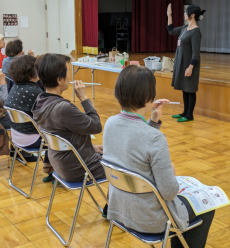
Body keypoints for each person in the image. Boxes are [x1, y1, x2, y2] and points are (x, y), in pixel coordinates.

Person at [103, 65, 214, 248]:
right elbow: (169, 192)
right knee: (207, 204)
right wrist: (170, 172)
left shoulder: (110, 123)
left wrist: (153, 121)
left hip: (119, 210)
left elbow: (133, 145)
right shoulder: (155, 138)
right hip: (150, 220)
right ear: (148, 97)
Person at [32, 53, 106, 185]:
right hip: (81, 169)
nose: (70, 76)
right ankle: (111, 206)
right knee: (127, 168)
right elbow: (96, 126)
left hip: (62, 165)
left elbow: (62, 136)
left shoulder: (40, 100)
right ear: (59, 80)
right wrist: (84, 98)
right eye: (68, 72)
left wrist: (90, 147)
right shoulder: (62, 108)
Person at [4, 55, 51, 174]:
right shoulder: (35, 92)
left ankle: (49, 164)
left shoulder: (15, 88)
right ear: (31, 73)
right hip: (32, 140)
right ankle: (54, 168)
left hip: (16, 138)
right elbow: (49, 117)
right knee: (62, 135)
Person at [167, 4, 206, 122]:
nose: (184, 14)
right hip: (182, 62)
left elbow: (195, 53)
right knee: (185, 88)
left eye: (186, 12)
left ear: (192, 15)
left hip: (190, 64)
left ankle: (190, 115)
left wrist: (190, 67)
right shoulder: (184, 28)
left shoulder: (195, 32)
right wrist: (169, 15)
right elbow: (171, 31)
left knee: (190, 89)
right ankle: (185, 112)